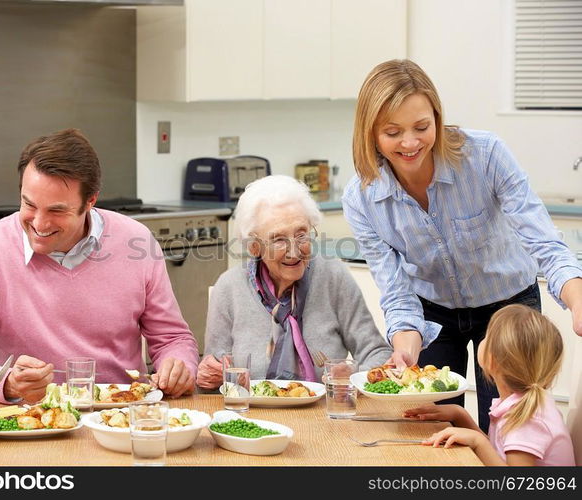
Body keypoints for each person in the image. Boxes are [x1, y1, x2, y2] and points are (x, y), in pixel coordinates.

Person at [342, 59, 582, 432]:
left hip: (508, 308)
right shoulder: (362, 198)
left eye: (422, 127)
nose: (409, 143)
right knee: (432, 430)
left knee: (509, 431)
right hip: (433, 316)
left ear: (437, 118)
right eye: (392, 132)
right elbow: (396, 291)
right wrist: (405, 348)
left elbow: (544, 242)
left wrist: (577, 299)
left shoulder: (484, 155)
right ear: (370, 133)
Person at [0, 128, 199, 404]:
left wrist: (179, 366)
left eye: (57, 210)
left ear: (91, 200)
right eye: (29, 204)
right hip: (28, 420)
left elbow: (172, 339)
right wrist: (7, 383)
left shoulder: (135, 240)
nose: (39, 223)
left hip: (121, 413)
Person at [196, 175, 392, 389]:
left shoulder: (332, 276)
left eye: (301, 235)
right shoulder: (230, 287)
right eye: (278, 239)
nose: (294, 251)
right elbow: (212, 376)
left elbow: (378, 353)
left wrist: (355, 374)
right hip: (253, 417)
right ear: (254, 247)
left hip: (324, 415)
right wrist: (211, 377)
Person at [405, 305, 575, 466]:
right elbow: (500, 454)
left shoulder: (528, 420)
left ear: (492, 360)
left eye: (487, 336)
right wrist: (459, 415)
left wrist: (478, 442)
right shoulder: (525, 403)